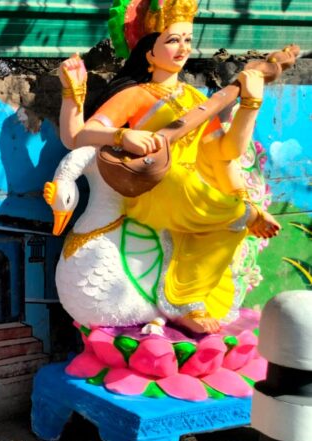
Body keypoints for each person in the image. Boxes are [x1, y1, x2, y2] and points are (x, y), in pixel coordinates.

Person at [55, 0, 280, 334]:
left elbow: (224, 151)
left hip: (191, 187)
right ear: (149, 52)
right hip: (153, 185)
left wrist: (250, 103)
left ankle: (190, 293)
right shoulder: (135, 95)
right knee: (217, 202)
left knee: (233, 221)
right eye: (173, 40)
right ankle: (185, 303)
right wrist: (124, 135)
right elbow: (79, 136)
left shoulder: (195, 99)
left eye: (188, 40)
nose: (184, 48)